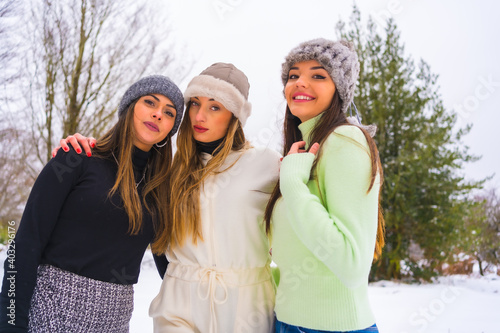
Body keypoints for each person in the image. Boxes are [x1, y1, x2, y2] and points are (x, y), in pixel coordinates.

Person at [52, 63, 281, 332]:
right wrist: (85, 147)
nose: (200, 116)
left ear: (235, 117)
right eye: (194, 104)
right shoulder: (171, 171)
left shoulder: (267, 164)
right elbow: (158, 241)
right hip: (180, 308)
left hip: (247, 307)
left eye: (215, 107)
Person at [0, 75, 184, 332]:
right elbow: (26, 243)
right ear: (130, 107)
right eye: (150, 103)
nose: (158, 115)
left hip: (115, 323)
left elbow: (171, 267)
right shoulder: (76, 158)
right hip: (50, 316)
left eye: (169, 112)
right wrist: (11, 323)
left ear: (171, 129)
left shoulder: (160, 192)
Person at [264, 39, 385, 332]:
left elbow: (352, 265)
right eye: (293, 75)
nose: (300, 83)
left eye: (318, 75)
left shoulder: (346, 141)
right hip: (287, 322)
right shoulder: (303, 150)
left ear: (340, 90)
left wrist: (292, 185)